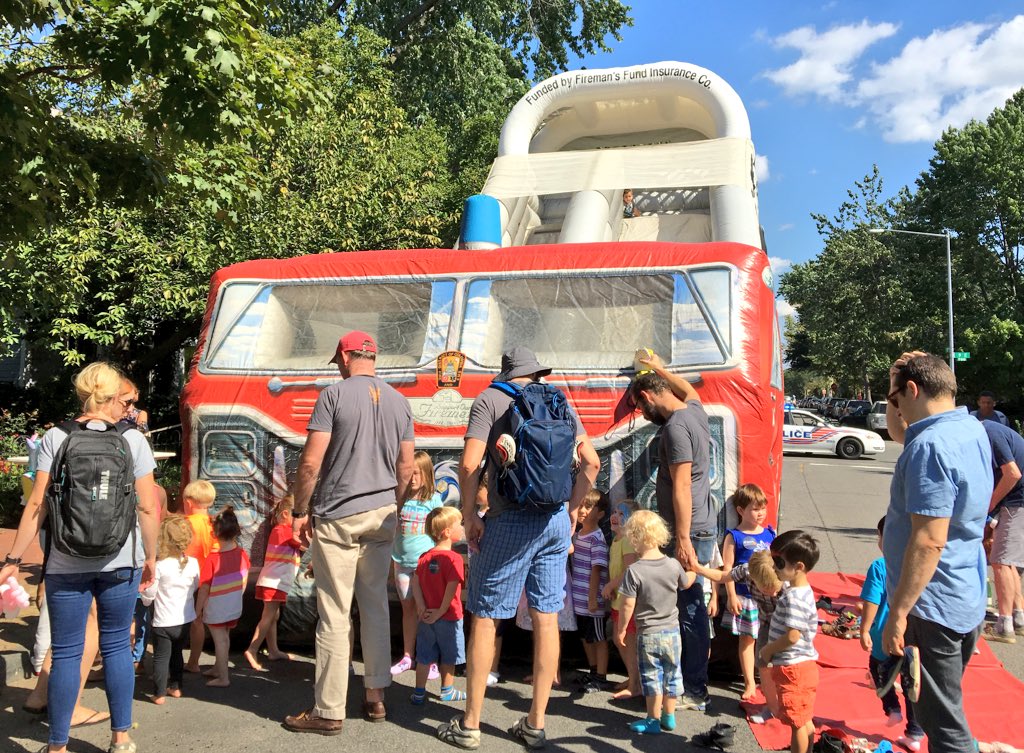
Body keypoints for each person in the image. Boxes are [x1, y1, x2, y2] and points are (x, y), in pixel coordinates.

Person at [436, 346, 599, 750]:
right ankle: (535, 723)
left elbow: (471, 464)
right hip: (554, 523)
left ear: (507, 370)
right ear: (537, 371)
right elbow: (591, 463)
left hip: (508, 521)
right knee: (547, 617)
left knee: (488, 617)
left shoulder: (491, 398)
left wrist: (472, 514)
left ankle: (470, 724)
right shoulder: (558, 400)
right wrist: (573, 511)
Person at [1, 361, 159, 753]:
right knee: (117, 646)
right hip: (121, 560)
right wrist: (151, 556)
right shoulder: (133, 440)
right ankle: (121, 738)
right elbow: (149, 506)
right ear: (114, 396)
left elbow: (37, 503)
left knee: (68, 651)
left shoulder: (56, 437)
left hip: (65, 561)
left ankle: (57, 745)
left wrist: (14, 558)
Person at [284, 331, 415, 735]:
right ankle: (376, 697)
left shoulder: (333, 396)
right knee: (375, 605)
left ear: (344, 354)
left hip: (338, 514)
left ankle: (328, 710)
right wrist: (392, 503)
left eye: (337, 359)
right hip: (381, 515)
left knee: (335, 613)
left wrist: (300, 510)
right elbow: (407, 467)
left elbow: (310, 463)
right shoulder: (400, 401)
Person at [882, 351, 992, 753]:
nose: (895, 408)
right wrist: (894, 379)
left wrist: (897, 612)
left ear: (913, 390)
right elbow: (900, 433)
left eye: (896, 399)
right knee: (941, 711)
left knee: (943, 726)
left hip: (932, 605)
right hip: (964, 593)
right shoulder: (968, 427)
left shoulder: (931, 446)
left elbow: (929, 539)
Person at [629, 350, 715, 712]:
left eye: (640, 407)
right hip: (699, 527)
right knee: (687, 605)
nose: (642, 414)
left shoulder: (677, 429)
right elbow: (690, 391)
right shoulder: (693, 411)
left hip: (689, 532)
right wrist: (660, 370)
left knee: (689, 609)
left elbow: (681, 486)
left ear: (647, 398)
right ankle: (683, 685)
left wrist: (680, 540)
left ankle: (693, 691)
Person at [616, 509, 697, 735]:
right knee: (672, 673)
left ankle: (653, 719)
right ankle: (669, 716)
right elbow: (686, 582)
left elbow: (627, 605)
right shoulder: (672, 564)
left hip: (648, 634)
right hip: (672, 632)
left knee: (652, 677)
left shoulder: (634, 571)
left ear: (633, 538)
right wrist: (694, 570)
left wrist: (622, 629)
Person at [695, 549, 783, 723]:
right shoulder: (746, 570)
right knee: (763, 664)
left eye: (774, 588)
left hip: (787, 623)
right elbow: (722, 576)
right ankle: (772, 708)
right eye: (765, 588)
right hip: (766, 621)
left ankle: (787, 704)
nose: (772, 593)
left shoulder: (786, 580)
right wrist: (697, 567)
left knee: (784, 666)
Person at [859, 516, 924, 751]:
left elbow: (871, 601)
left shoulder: (879, 566)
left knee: (877, 669)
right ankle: (915, 733)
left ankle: (892, 708)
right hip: (911, 635)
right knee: (911, 683)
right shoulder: (920, 565)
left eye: (879, 536)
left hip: (884, 633)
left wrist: (864, 628)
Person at [759, 530, 820, 753]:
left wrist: (768, 650)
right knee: (804, 720)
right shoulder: (798, 590)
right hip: (802, 667)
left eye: (778, 561)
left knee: (797, 724)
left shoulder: (795, 598)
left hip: (793, 668)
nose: (774, 566)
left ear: (799, 567)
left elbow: (792, 636)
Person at [721, 484, 776, 702]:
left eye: (763, 508)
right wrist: (732, 596)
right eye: (755, 509)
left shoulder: (770, 533)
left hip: (770, 599)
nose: (760, 513)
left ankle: (768, 678)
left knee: (769, 639)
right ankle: (750, 682)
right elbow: (727, 570)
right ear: (741, 510)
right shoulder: (733, 536)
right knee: (748, 641)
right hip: (746, 598)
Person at [390, 450, 443, 679]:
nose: (412, 479)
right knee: (408, 609)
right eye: (409, 474)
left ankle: (429, 658)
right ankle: (407, 655)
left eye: (417, 474)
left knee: (428, 611)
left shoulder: (434, 501)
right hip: (401, 564)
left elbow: (441, 532)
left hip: (425, 568)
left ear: (427, 475)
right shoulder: (400, 499)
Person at [410, 506, 467, 705]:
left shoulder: (424, 557)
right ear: (448, 533)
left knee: (424, 655)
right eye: (459, 524)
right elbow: (452, 588)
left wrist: (421, 607)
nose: (463, 527)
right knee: (449, 656)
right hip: (449, 616)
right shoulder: (454, 559)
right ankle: (447, 690)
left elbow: (415, 582)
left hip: (426, 616)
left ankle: (419, 692)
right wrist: (441, 611)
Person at [141, 515, 200, 704]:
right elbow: (196, 585)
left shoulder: (160, 566)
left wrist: (144, 597)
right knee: (177, 654)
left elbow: (150, 593)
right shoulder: (193, 563)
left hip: (163, 621)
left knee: (161, 657)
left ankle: (159, 693)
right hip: (185, 619)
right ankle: (176, 687)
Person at [245, 495, 304, 669]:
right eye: (297, 516)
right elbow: (300, 544)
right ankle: (252, 649)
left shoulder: (281, 530)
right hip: (273, 583)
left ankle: (273, 650)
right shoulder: (282, 530)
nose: (299, 520)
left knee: (273, 615)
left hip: (272, 582)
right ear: (286, 514)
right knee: (268, 616)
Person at [980, 420, 1024, 643]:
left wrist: (990, 505)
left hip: (1017, 503)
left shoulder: (988, 431)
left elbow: (1013, 474)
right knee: (1009, 562)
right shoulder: (992, 431)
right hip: (1016, 503)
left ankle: (1003, 626)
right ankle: (1017, 619)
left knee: (1000, 562)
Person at [195, 507, 249, 688]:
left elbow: (204, 587)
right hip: (234, 603)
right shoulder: (241, 553)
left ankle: (223, 677)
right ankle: (219, 669)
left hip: (217, 605)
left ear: (215, 532)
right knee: (225, 636)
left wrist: (198, 609)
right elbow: (245, 575)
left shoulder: (212, 558)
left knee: (220, 639)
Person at [570, 489, 610, 693]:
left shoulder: (596, 539)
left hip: (590, 599)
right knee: (586, 637)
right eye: (581, 506)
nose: (582, 511)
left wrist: (593, 597)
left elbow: (597, 569)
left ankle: (601, 676)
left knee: (598, 637)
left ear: (600, 514)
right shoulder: (578, 535)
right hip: (579, 599)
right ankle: (593, 670)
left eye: (588, 507)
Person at [602, 499, 640, 700]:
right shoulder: (616, 541)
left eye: (622, 514)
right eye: (615, 511)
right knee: (620, 640)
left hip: (628, 601)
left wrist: (611, 585)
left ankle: (635, 684)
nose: (615, 516)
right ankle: (633, 678)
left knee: (625, 640)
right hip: (619, 599)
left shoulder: (627, 541)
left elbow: (628, 571)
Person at [182, 480, 218, 673]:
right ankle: (194, 661)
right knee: (199, 619)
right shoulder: (215, 524)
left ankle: (181, 661)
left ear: (188, 503)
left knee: (182, 618)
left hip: (187, 577)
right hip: (209, 578)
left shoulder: (186, 524)